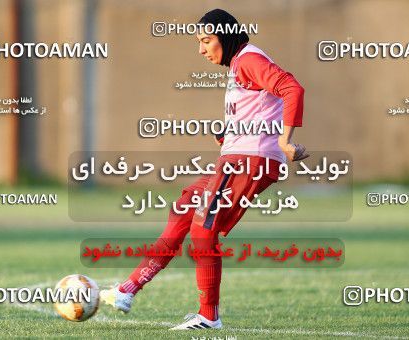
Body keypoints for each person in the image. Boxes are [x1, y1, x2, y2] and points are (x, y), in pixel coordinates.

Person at [100, 8, 308, 330]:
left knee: (202, 230)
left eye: (207, 41)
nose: (201, 49)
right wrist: (228, 133)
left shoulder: (249, 60)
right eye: (198, 41)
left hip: (248, 161)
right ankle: (128, 290)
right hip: (236, 158)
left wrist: (286, 140)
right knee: (183, 211)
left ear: (225, 36)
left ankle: (209, 316)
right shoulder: (239, 64)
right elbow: (260, 109)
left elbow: (292, 88)